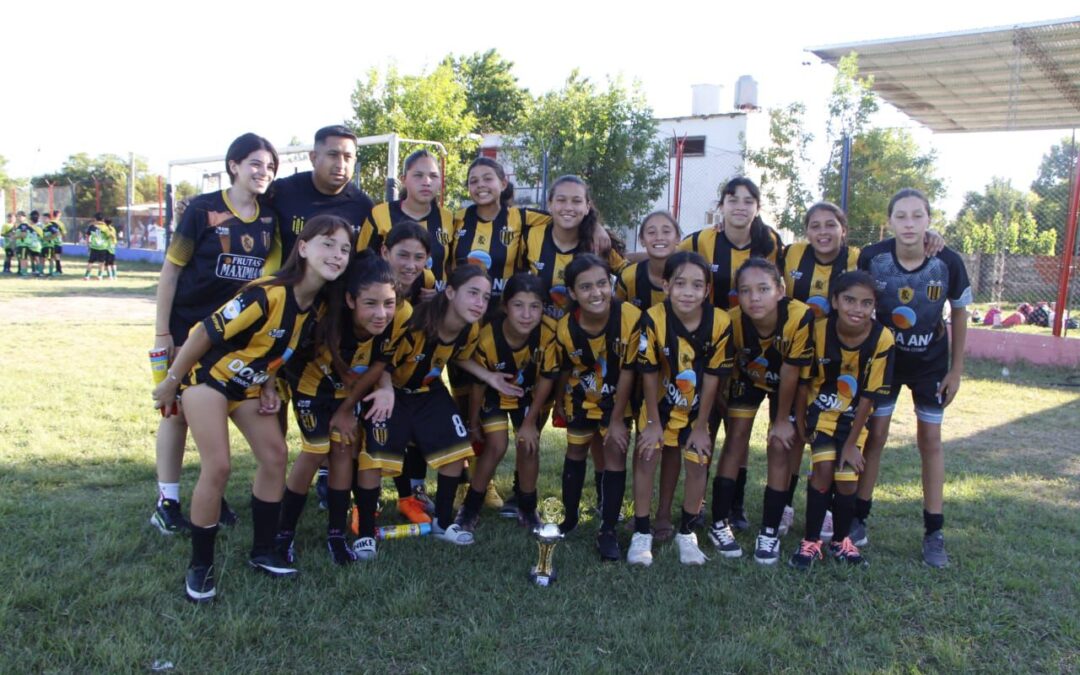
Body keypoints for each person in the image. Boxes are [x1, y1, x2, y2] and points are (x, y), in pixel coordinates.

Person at [152, 214, 353, 603]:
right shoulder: (267, 292)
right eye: (328, 243)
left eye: (344, 248)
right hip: (206, 381)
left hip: (245, 387)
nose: (337, 254)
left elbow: (270, 350)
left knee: (276, 456)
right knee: (219, 464)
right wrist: (171, 381)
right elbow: (203, 333)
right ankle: (201, 566)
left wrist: (268, 383)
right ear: (304, 247)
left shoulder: (316, 308)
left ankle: (263, 551)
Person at [149, 133, 280, 536]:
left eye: (271, 167)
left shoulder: (269, 218)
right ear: (234, 166)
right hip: (185, 330)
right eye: (255, 164)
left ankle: (212, 493)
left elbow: (267, 281)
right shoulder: (203, 210)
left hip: (230, 340)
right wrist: (161, 333)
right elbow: (171, 271)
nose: (263, 172)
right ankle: (167, 501)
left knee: (215, 410)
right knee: (175, 412)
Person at [856, 188, 972, 568]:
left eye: (917, 216)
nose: (909, 223)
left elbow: (959, 312)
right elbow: (857, 307)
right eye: (901, 216)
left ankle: (934, 531)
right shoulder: (872, 258)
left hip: (931, 364)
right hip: (886, 362)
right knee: (875, 436)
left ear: (928, 220)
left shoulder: (948, 261)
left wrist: (956, 370)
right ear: (889, 221)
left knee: (931, 440)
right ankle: (858, 517)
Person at [366, 264, 520, 545]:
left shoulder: (469, 329)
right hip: (394, 390)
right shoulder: (413, 322)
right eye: (472, 293)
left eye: (485, 297)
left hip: (429, 390)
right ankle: (364, 524)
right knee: (376, 457)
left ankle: (443, 522)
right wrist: (386, 390)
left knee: (455, 449)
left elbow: (459, 355)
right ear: (450, 292)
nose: (479, 302)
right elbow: (383, 364)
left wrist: (489, 376)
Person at [276, 251, 404, 565]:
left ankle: (336, 534)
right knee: (316, 449)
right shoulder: (326, 316)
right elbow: (288, 353)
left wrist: (347, 408)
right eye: (370, 304)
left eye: (388, 303)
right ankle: (282, 534)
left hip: (345, 394)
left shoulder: (399, 316)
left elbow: (377, 367)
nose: (381, 313)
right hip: (310, 387)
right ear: (350, 300)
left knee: (344, 449)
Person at [518, 254, 641, 561]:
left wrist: (616, 420)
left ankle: (608, 529)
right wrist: (547, 410)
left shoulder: (628, 316)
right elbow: (556, 371)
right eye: (585, 287)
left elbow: (629, 371)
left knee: (614, 451)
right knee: (575, 452)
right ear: (572, 293)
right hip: (581, 398)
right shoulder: (564, 329)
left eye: (602, 283)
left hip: (619, 400)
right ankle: (569, 518)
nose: (596, 292)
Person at [679, 177, 784, 533]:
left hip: (752, 350)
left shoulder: (770, 244)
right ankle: (697, 504)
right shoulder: (698, 241)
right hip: (706, 351)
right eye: (732, 198)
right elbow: (668, 265)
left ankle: (734, 504)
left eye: (748, 200)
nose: (740, 206)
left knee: (739, 430)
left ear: (757, 207)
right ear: (721, 204)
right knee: (706, 424)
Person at [707, 259, 814, 565]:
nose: (754, 297)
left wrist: (781, 420)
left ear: (780, 290)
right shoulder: (731, 320)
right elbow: (725, 368)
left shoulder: (799, 316)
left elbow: (793, 371)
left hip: (787, 384)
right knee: (736, 440)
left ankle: (769, 530)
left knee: (779, 445)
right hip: (746, 379)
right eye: (745, 291)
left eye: (763, 289)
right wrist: (723, 401)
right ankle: (719, 523)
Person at [631, 252, 733, 566]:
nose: (688, 291)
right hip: (659, 401)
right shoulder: (652, 317)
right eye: (680, 283)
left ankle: (687, 534)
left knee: (699, 460)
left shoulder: (720, 321)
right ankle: (641, 531)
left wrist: (702, 426)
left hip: (697, 407)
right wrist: (652, 423)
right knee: (648, 453)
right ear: (666, 285)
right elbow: (648, 371)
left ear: (707, 290)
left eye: (697, 285)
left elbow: (715, 375)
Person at [789, 271, 894, 570]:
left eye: (866, 303)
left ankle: (841, 540)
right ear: (834, 301)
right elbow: (803, 379)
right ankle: (810, 541)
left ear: (874, 306)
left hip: (854, 419)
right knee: (822, 470)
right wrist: (799, 420)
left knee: (848, 481)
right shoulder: (818, 330)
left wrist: (851, 444)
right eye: (849, 300)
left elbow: (869, 397)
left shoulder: (882, 338)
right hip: (820, 414)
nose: (856, 309)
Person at [459, 273, 557, 532]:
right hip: (494, 393)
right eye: (518, 305)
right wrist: (473, 423)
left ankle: (527, 506)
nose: (527, 314)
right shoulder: (488, 337)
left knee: (528, 444)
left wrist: (529, 423)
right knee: (496, 445)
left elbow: (547, 379)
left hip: (530, 396)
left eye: (534, 306)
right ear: (505, 306)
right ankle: (470, 508)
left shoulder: (548, 334)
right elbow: (478, 384)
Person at [615, 210, 683, 540]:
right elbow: (617, 314)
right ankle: (640, 509)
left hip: (679, 376)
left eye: (666, 230)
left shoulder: (688, 275)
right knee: (644, 442)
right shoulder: (629, 277)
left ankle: (665, 515)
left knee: (671, 446)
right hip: (640, 370)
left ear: (678, 238)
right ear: (642, 239)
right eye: (651, 231)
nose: (659, 235)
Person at [378, 220, 439, 523]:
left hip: (406, 367)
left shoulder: (427, 280)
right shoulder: (373, 281)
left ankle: (412, 493)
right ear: (385, 251)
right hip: (368, 368)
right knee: (374, 431)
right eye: (403, 255)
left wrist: (435, 300)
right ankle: (365, 498)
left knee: (414, 424)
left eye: (419, 257)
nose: (411, 265)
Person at [518, 175, 624, 321]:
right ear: (550, 204)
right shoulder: (532, 236)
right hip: (540, 333)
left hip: (582, 336)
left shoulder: (597, 243)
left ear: (587, 207)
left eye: (576, 201)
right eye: (561, 200)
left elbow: (628, 272)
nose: (568, 207)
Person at [357, 149, 454, 298]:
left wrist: (442, 294)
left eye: (433, 176)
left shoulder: (448, 218)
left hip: (435, 311)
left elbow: (451, 265)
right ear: (403, 179)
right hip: (387, 309)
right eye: (418, 175)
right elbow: (361, 262)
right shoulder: (380, 214)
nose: (427, 182)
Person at [83, 213, 111, 280]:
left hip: (94, 247)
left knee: (90, 262)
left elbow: (87, 236)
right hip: (103, 247)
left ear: (95, 219)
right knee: (101, 262)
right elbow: (109, 237)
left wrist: (88, 245)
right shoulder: (105, 227)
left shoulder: (92, 226)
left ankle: (87, 276)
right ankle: (100, 275)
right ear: (103, 219)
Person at [41, 210, 66, 276]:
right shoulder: (60, 223)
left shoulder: (50, 223)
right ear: (59, 216)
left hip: (51, 242)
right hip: (57, 242)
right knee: (56, 256)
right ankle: (58, 270)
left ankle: (57, 270)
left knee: (53, 257)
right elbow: (63, 233)